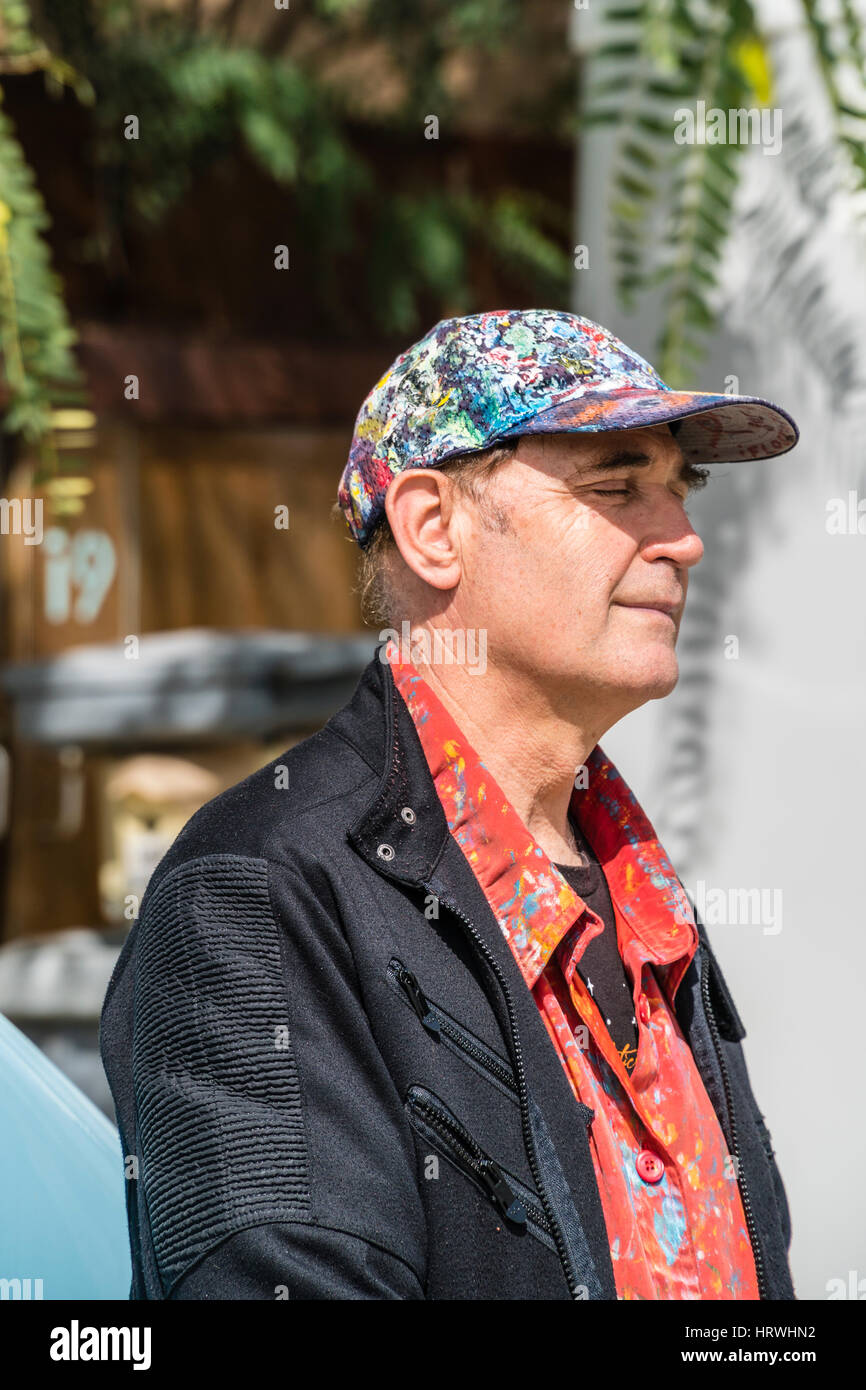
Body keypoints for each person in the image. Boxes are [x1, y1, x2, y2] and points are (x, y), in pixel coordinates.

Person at [100, 308, 799, 1300]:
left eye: (676, 491)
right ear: (433, 528)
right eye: (617, 485)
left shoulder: (638, 901)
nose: (682, 540)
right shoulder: (253, 892)